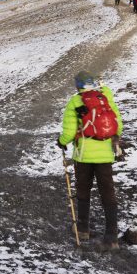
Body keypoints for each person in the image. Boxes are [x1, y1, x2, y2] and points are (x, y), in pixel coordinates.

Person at [57, 71, 123, 249]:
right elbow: (118, 123)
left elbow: (70, 133)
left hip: (84, 154)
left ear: (77, 85)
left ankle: (83, 228)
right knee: (107, 191)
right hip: (105, 154)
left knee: (83, 189)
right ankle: (111, 237)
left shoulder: (75, 102)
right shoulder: (105, 97)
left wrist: (61, 142)